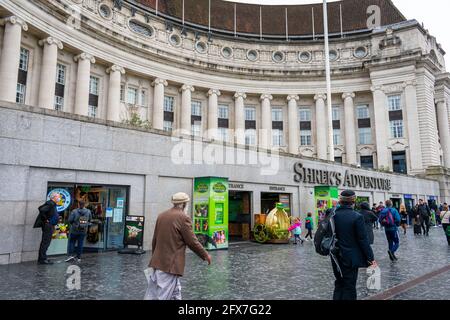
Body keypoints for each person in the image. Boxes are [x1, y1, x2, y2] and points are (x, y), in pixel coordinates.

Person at [145, 192, 212, 300]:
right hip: (170, 265)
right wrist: (205, 255)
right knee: (162, 296)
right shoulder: (183, 217)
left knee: (175, 294)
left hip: (159, 263)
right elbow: (192, 241)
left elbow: (155, 240)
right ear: (184, 204)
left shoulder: (161, 215)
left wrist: (154, 258)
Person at [332, 190, 377, 300]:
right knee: (349, 285)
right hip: (350, 257)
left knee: (339, 283)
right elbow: (362, 239)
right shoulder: (356, 216)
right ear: (353, 201)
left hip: (335, 255)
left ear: (340, 201)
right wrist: (370, 257)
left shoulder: (333, 215)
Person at [33, 192, 61, 265]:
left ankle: (43, 258)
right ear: (54, 197)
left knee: (46, 242)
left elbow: (42, 209)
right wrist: (46, 219)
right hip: (48, 226)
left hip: (50, 225)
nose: (59, 198)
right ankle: (42, 259)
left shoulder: (52, 204)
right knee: (45, 242)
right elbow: (41, 209)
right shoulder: (50, 203)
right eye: (58, 197)